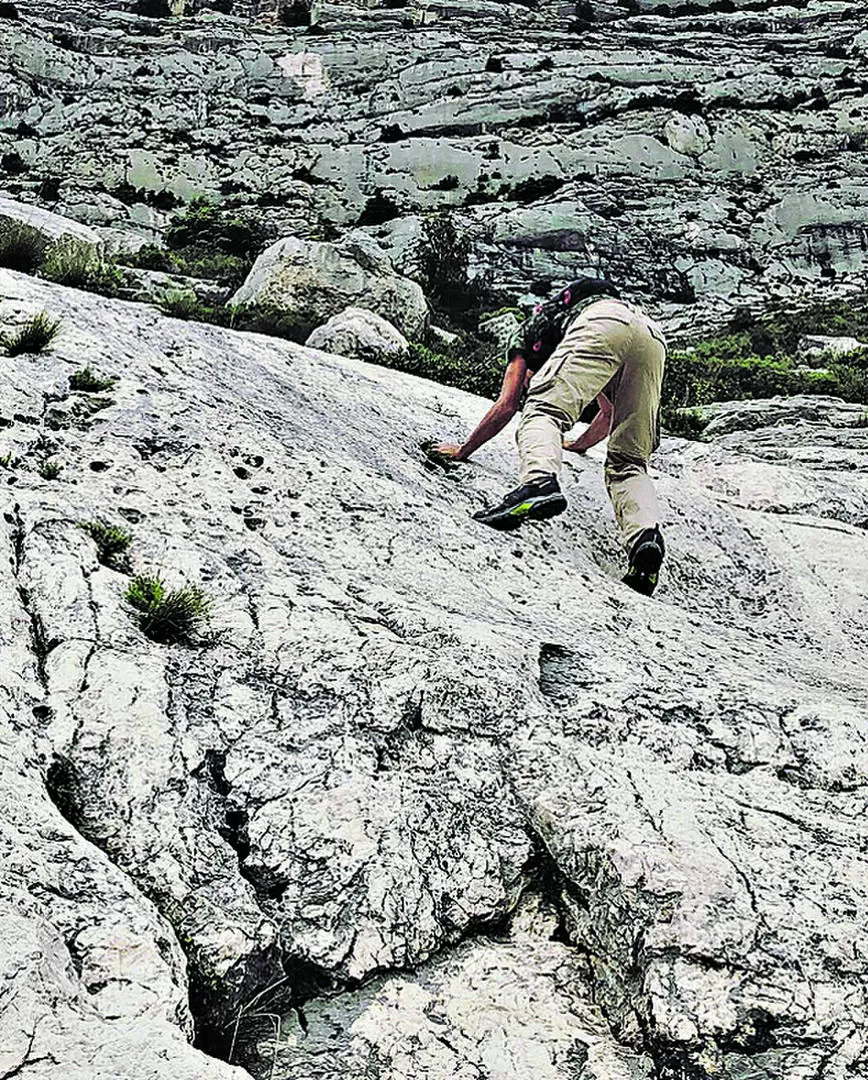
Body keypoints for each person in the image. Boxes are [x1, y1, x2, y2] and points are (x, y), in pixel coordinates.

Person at [433, 277, 668, 595]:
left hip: (603, 323)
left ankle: (538, 484)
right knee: (629, 460)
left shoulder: (534, 329)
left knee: (542, 411)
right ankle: (645, 541)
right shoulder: (579, 331)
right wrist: (578, 445)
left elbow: (508, 404)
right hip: (651, 335)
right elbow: (609, 413)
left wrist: (463, 450)